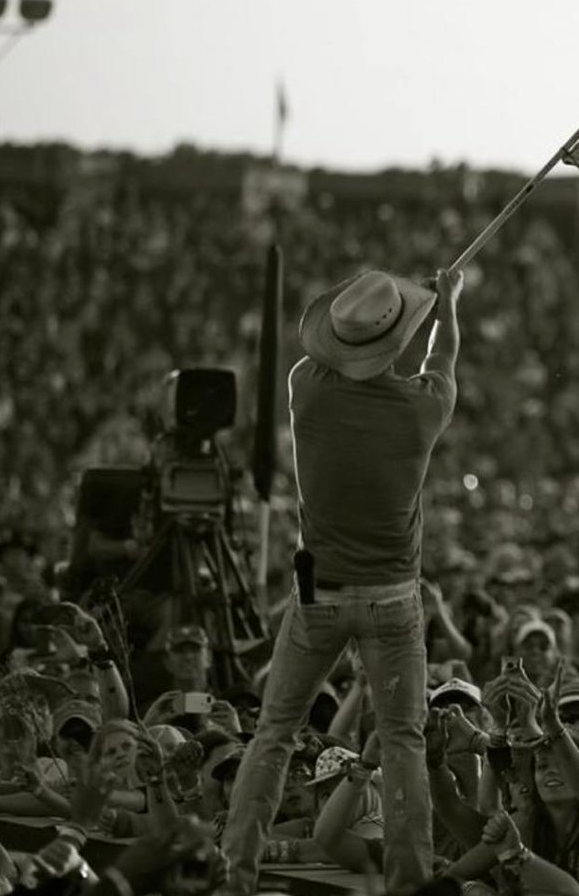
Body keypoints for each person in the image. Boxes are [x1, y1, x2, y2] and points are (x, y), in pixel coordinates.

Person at [221, 266, 463, 896]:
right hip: (392, 601)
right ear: (393, 341)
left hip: (318, 597)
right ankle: (408, 881)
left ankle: (233, 875)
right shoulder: (423, 409)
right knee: (403, 740)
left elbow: (331, 356)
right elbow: (443, 356)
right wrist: (448, 306)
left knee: (274, 733)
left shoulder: (308, 388)